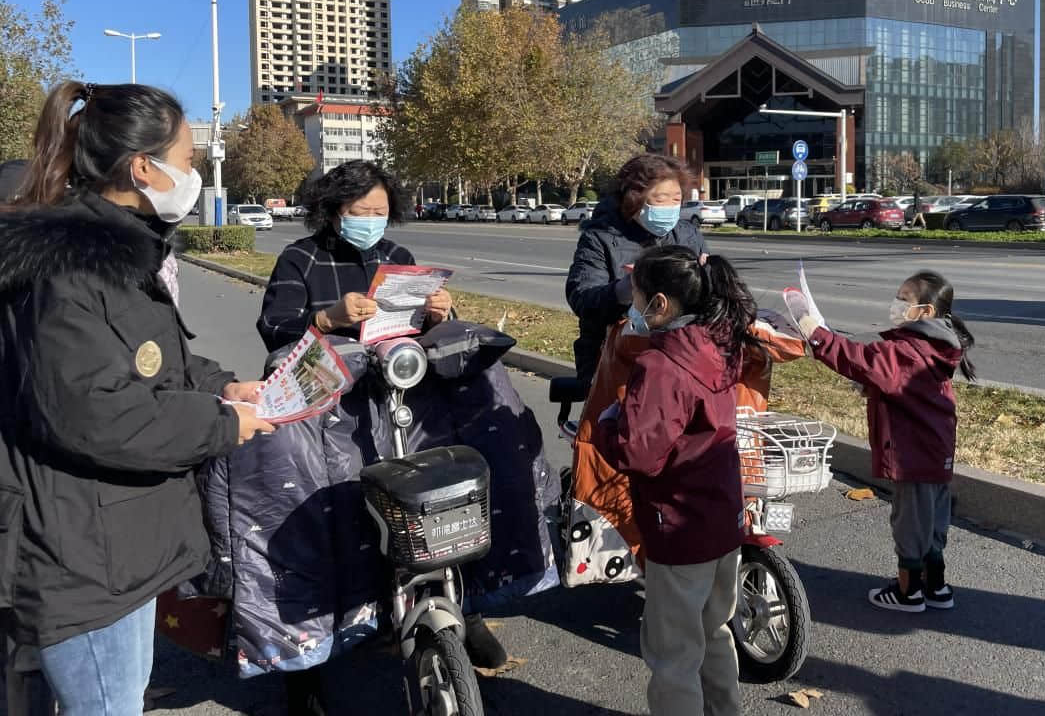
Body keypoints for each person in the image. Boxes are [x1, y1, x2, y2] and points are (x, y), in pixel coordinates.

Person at [0, 81, 273, 715]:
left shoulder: (113, 253)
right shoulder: (73, 268)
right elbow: (97, 413)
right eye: (187, 160)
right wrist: (222, 422)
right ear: (142, 167)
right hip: (84, 554)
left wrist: (222, 385)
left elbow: (151, 365)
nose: (194, 174)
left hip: (108, 540)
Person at [251, 160, 506, 714]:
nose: (370, 221)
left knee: (431, 508)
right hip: (329, 411)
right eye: (359, 212)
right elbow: (275, 329)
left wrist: (442, 313)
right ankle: (306, 661)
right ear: (332, 210)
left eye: (380, 212)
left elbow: (421, 331)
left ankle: (468, 609)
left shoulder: (397, 258)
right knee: (330, 521)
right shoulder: (301, 257)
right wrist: (327, 319)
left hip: (402, 404)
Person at [592, 245, 755, 716]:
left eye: (636, 297)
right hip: (722, 518)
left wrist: (608, 423)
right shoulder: (719, 342)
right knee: (714, 631)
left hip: (678, 525)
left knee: (673, 653)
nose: (631, 308)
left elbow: (638, 452)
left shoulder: (661, 365)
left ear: (659, 305)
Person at [788, 270, 975, 613]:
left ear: (926, 312)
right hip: (935, 451)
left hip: (913, 454)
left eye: (904, 299)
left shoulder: (908, 350)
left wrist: (815, 334)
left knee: (909, 524)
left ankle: (908, 593)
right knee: (933, 522)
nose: (896, 304)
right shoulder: (936, 345)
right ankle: (937, 587)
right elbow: (898, 384)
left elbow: (859, 359)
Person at [566, 154, 707, 396]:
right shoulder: (600, 237)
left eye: (676, 199)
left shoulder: (687, 234)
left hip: (679, 352)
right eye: (660, 199)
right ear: (634, 199)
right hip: (613, 357)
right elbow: (582, 298)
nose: (670, 208)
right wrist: (625, 289)